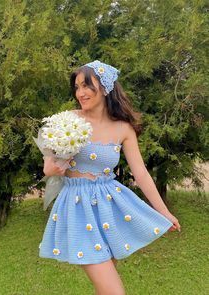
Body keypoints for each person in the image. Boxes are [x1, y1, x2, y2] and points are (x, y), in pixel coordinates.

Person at [39, 60, 181, 295]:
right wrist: (50, 169)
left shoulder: (123, 128)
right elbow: (48, 165)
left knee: (104, 289)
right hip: (78, 209)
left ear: (105, 88)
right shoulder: (67, 121)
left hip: (109, 208)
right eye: (77, 87)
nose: (80, 93)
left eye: (87, 86)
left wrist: (163, 211)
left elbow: (141, 174)